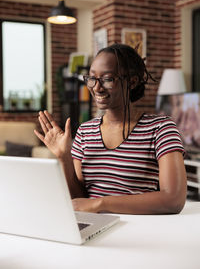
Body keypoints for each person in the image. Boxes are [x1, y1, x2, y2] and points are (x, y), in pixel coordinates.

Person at [34, 43, 187, 215]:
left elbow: (173, 199)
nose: (96, 88)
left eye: (107, 79)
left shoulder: (160, 128)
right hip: (95, 228)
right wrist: (64, 159)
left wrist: (101, 204)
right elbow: (79, 200)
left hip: (142, 229)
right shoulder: (85, 132)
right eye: (91, 79)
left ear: (132, 81)